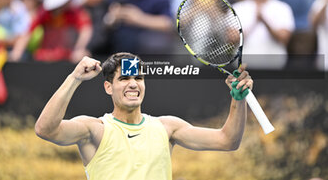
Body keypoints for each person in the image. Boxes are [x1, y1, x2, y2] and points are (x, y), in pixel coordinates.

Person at [35, 52, 253, 180]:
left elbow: (228, 141)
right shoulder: (94, 129)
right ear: (108, 87)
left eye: (138, 78)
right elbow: (45, 129)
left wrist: (238, 99)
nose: (133, 84)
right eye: (124, 78)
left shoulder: (168, 127)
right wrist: (75, 78)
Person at [233, 0, 295, 69]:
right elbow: (231, 39)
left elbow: (284, 38)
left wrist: (265, 21)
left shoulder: (283, 8)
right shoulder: (237, 8)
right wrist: (254, 21)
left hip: (274, 68)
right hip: (244, 69)